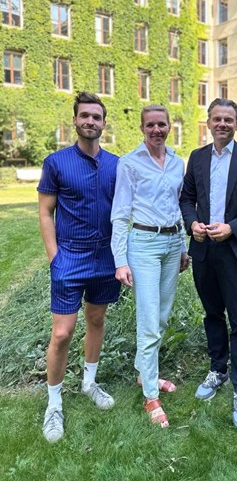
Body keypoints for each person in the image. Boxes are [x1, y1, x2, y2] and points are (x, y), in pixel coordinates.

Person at [179, 98, 237, 428]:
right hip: (204, 250)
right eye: (216, 118)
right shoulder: (197, 157)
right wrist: (192, 223)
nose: (222, 124)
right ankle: (218, 370)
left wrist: (233, 227)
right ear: (208, 122)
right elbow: (186, 198)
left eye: (228, 119)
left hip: (236, 250)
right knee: (212, 315)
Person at [38, 91, 121, 443]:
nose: (90, 121)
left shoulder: (117, 164)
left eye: (96, 117)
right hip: (69, 258)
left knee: (97, 319)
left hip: (105, 258)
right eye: (84, 115)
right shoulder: (56, 162)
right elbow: (45, 212)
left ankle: (89, 382)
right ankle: (54, 403)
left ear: (104, 123)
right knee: (61, 333)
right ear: (75, 120)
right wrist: (54, 256)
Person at [111, 104, 189, 428]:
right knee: (148, 320)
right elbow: (120, 213)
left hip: (171, 244)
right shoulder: (129, 163)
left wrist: (183, 246)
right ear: (142, 128)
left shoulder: (177, 162)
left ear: (169, 126)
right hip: (143, 244)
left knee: (161, 316)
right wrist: (120, 260)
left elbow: (178, 206)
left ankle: (145, 374)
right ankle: (150, 396)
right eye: (150, 125)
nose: (156, 130)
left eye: (162, 124)